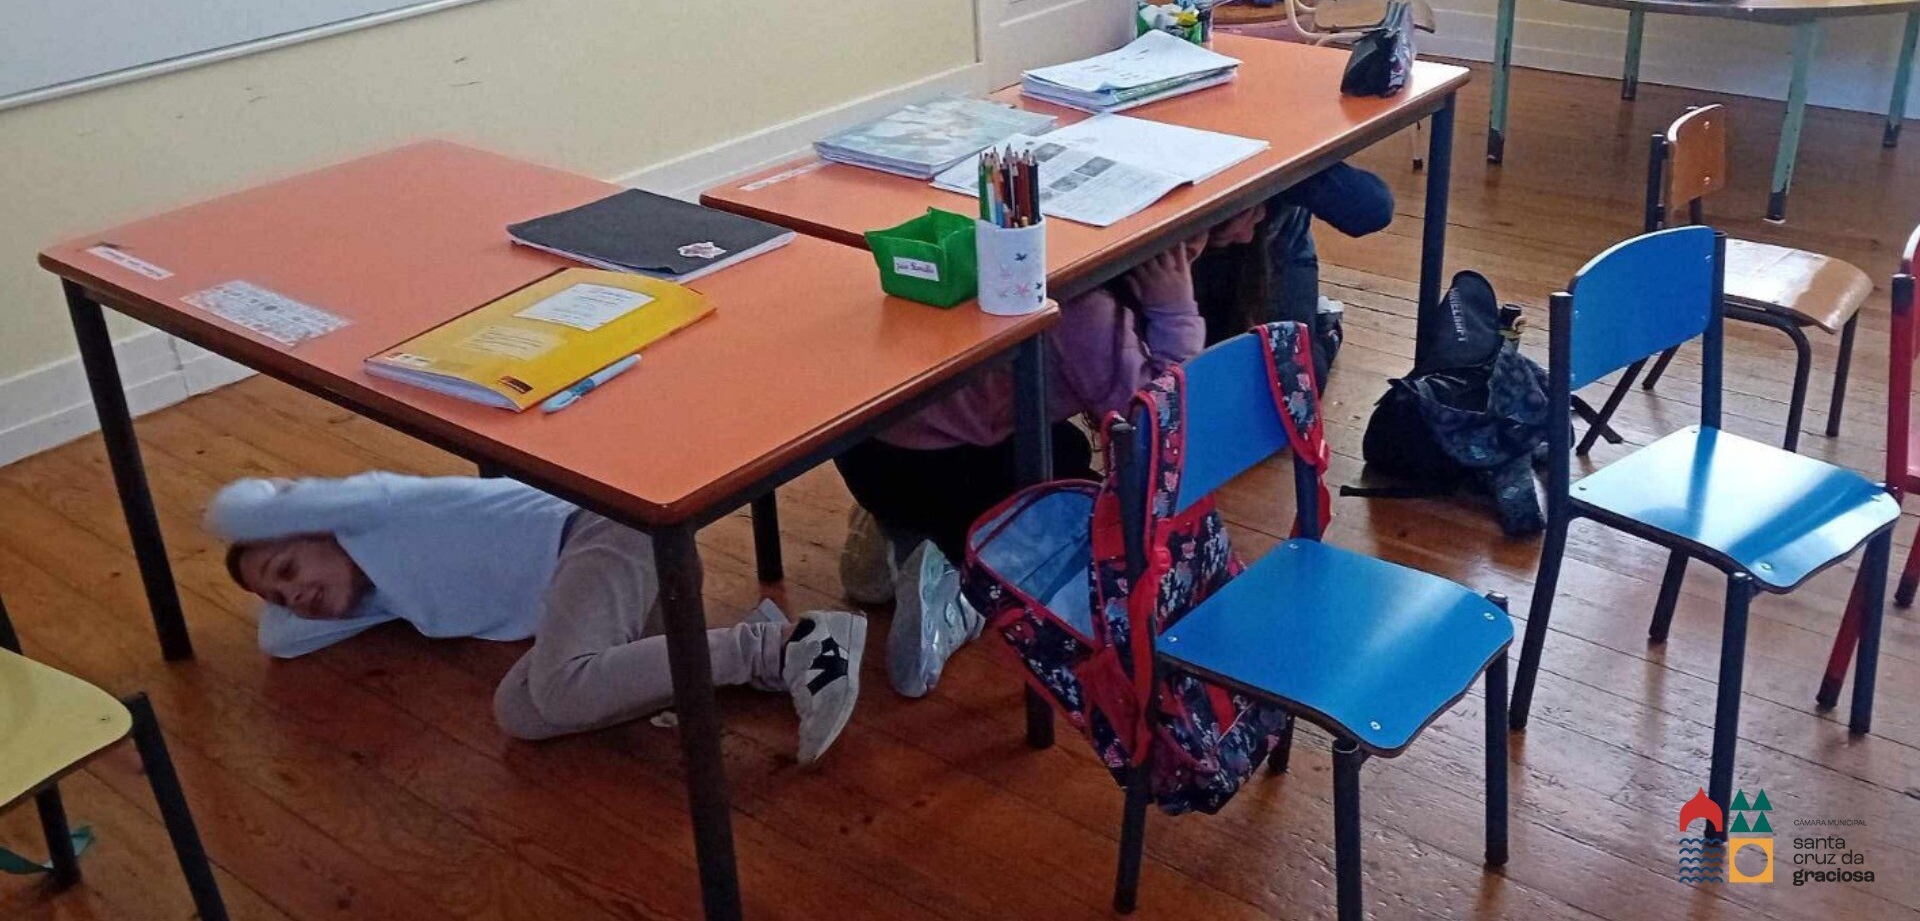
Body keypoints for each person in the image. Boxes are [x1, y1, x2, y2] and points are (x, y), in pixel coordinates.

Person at [835, 212, 1259, 697]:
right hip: (935, 474)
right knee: (1097, 521)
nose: (1244, 234)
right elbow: (1160, 433)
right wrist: (1175, 310)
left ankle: (902, 531)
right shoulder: (1089, 310)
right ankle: (956, 580)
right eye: (1207, 233)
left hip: (868, 446)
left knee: (1063, 445)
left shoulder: (1040, 255)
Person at [209, 473, 865, 764]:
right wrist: (289, 585)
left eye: (288, 569)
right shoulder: (372, 593)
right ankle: (742, 656)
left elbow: (246, 509)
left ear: (322, 522)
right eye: (277, 594)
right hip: (621, 590)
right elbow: (279, 638)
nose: (294, 597)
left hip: (611, 530)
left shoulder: (378, 510)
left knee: (560, 687)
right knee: (519, 712)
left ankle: (788, 646)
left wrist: (276, 517)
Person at [1191, 162, 1396, 385]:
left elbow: (1374, 209)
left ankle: (1324, 329)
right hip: (1188, 266)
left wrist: (1278, 178)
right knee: (1203, 378)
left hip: (1278, 251)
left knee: (1296, 383)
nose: (1245, 234)